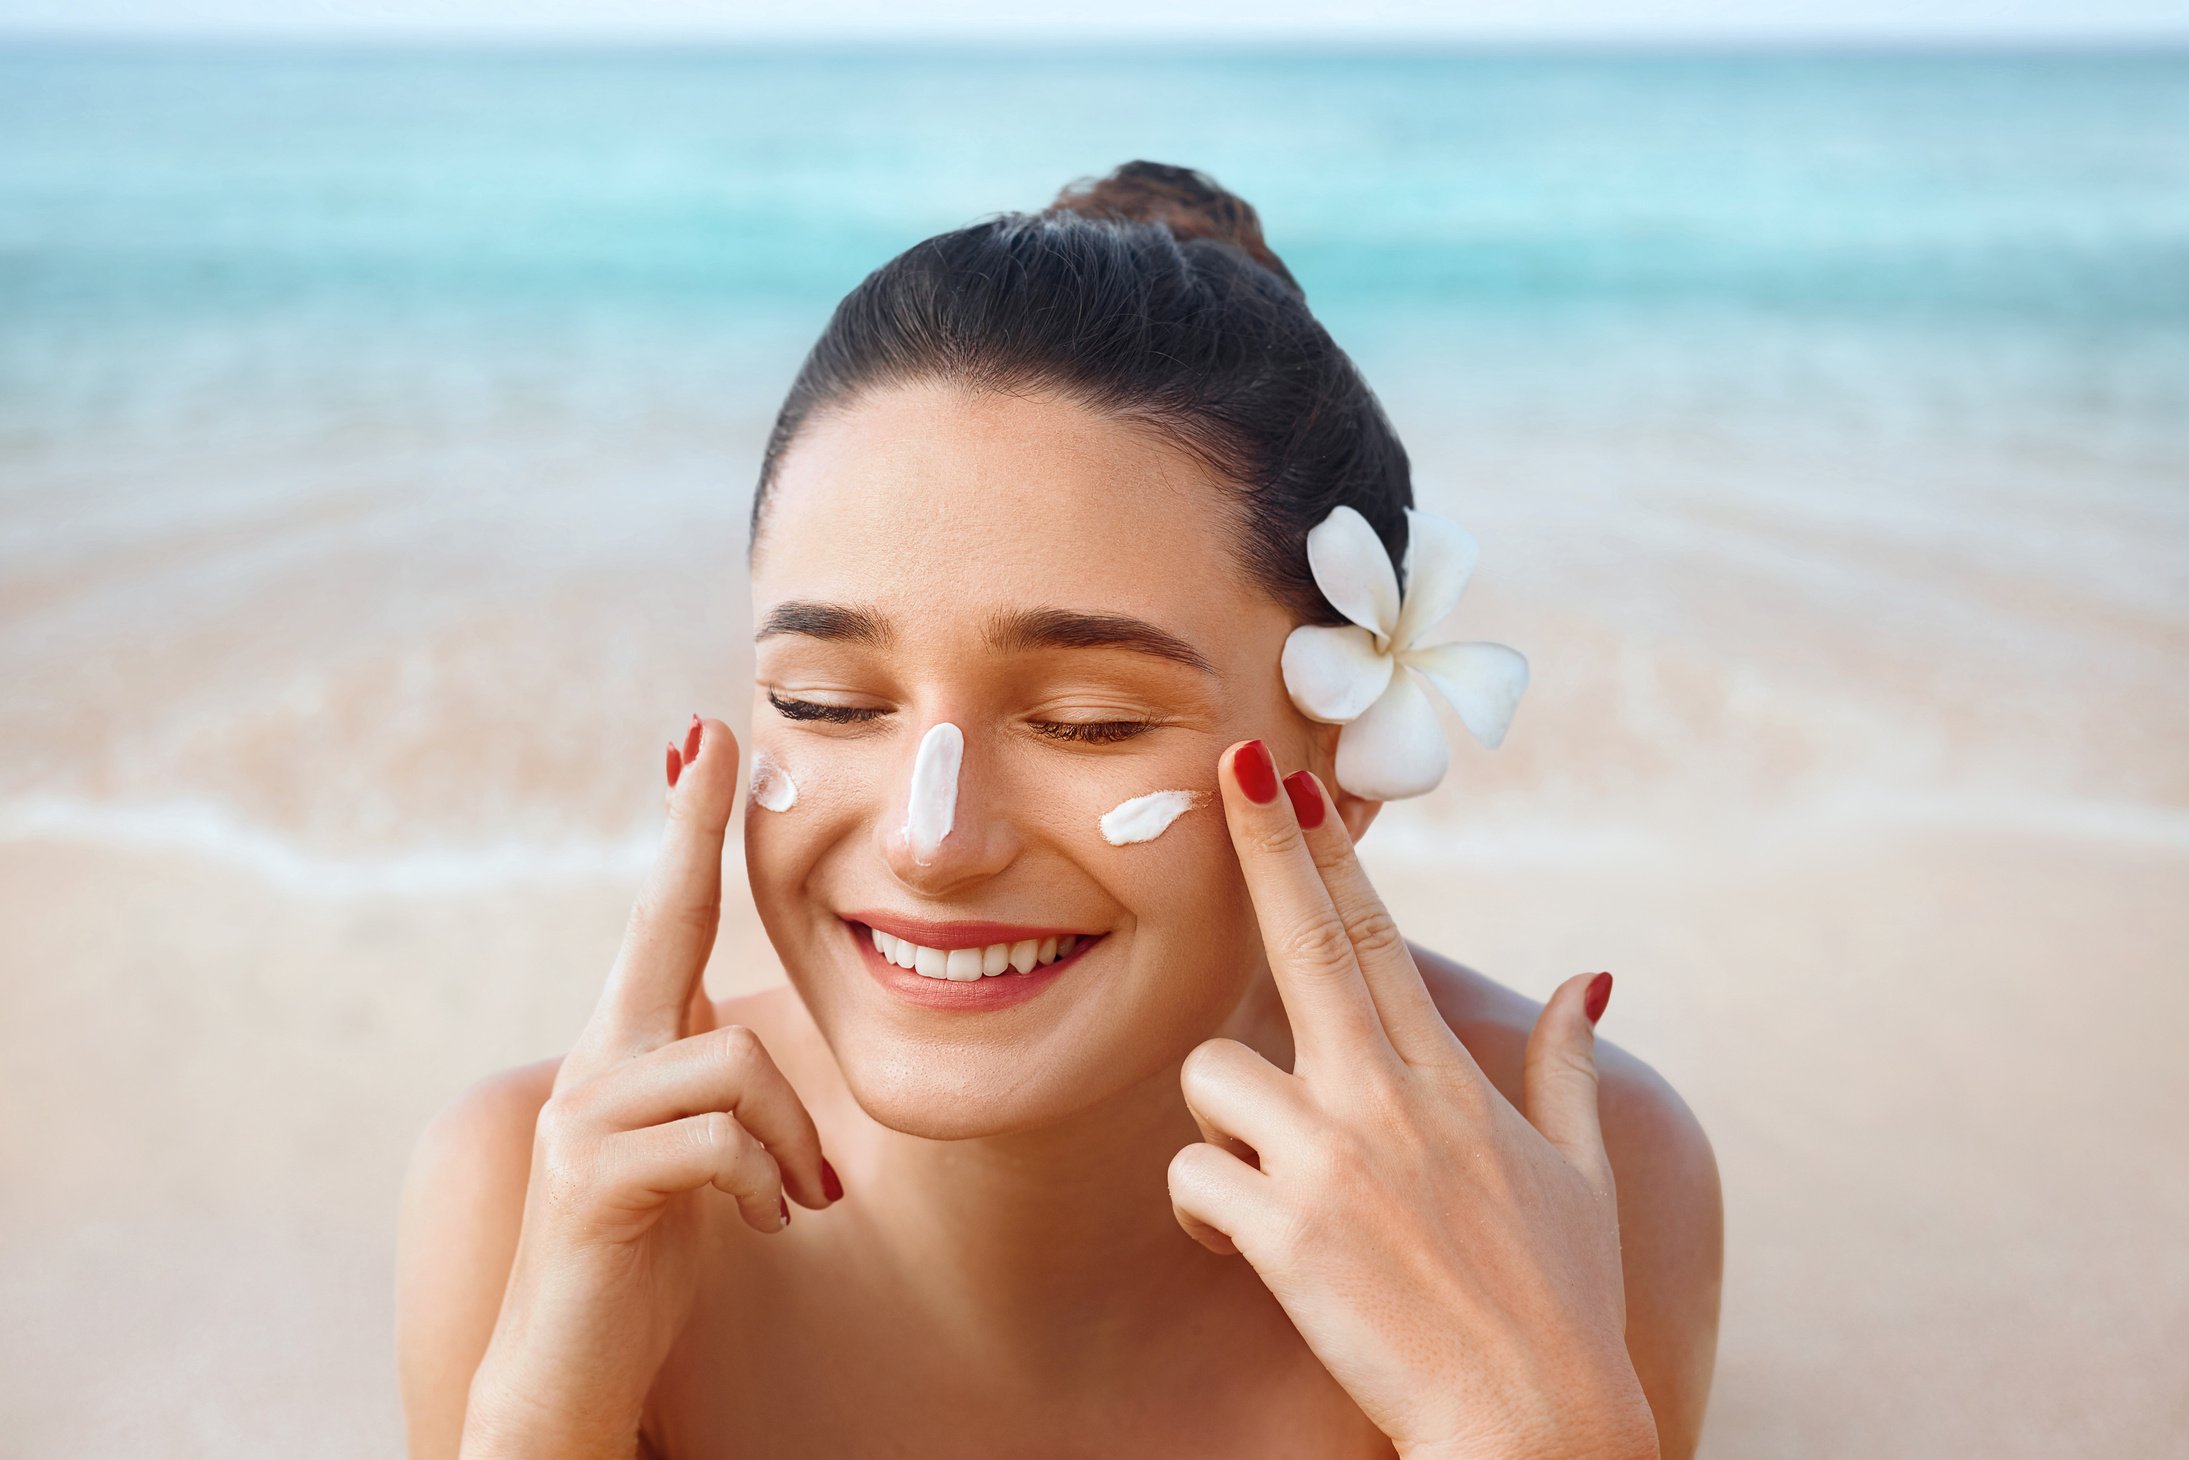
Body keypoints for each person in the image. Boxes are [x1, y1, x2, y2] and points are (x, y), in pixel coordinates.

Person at [396, 161, 1723, 1459]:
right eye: (827, 702)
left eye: (1089, 722)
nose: (932, 839)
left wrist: (1534, 1424)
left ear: (1337, 761)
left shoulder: (1553, 1189)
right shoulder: (541, 1201)